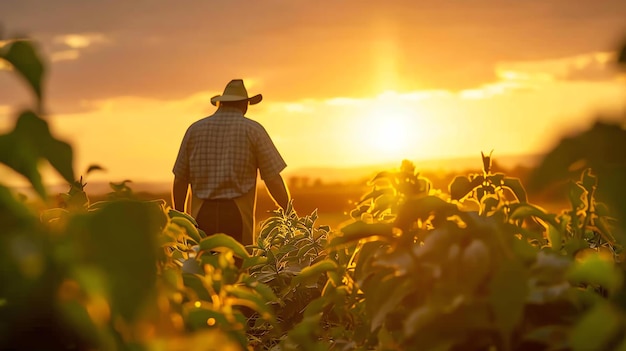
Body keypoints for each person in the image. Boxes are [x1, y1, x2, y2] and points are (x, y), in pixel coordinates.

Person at [172, 79, 290, 246]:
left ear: (221, 103)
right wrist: (288, 211)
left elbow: (180, 179)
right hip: (237, 216)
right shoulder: (253, 130)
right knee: (238, 268)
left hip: (201, 216)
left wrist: (180, 218)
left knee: (202, 268)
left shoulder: (195, 130)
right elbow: (273, 178)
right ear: (245, 105)